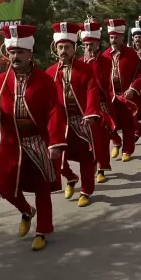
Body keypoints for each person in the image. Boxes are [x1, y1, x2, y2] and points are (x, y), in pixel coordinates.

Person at [0, 23, 66, 252]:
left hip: (36, 140)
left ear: (30, 53)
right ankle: (26, 210)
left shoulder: (44, 81)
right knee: (5, 187)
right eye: (12, 52)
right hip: (11, 142)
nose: (15, 56)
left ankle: (43, 230)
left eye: (20, 52)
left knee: (42, 188)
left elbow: (54, 112)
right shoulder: (1, 81)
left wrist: (55, 142)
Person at [47, 21, 104, 207]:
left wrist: (90, 112)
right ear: (56, 49)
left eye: (67, 47)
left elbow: (92, 90)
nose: (64, 51)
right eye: (61, 47)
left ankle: (86, 191)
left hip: (81, 120)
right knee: (58, 158)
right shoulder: (50, 73)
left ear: (74, 48)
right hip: (59, 122)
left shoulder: (85, 70)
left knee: (86, 158)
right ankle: (70, 178)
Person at [96, 18, 141, 162]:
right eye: (111, 37)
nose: (113, 40)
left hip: (126, 95)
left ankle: (127, 150)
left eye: (116, 37)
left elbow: (140, 76)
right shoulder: (104, 55)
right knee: (108, 122)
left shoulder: (131, 54)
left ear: (122, 37)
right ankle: (116, 141)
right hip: (109, 97)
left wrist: (133, 89)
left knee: (128, 124)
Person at [79, 20, 114, 185]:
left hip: (101, 105)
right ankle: (91, 164)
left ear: (98, 44)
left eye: (91, 44)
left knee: (102, 139)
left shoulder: (105, 61)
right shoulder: (79, 62)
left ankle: (102, 167)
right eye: (86, 45)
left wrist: (93, 65)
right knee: (88, 140)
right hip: (84, 107)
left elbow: (103, 82)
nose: (88, 48)